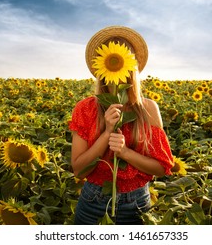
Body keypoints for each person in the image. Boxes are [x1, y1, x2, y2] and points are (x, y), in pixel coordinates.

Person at [69, 26, 174, 225]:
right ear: (101, 67)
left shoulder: (148, 109)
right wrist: (107, 132)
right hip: (93, 202)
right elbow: (79, 170)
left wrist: (125, 152)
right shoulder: (85, 108)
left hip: (136, 203)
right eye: (110, 59)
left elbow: (161, 168)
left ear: (131, 66)